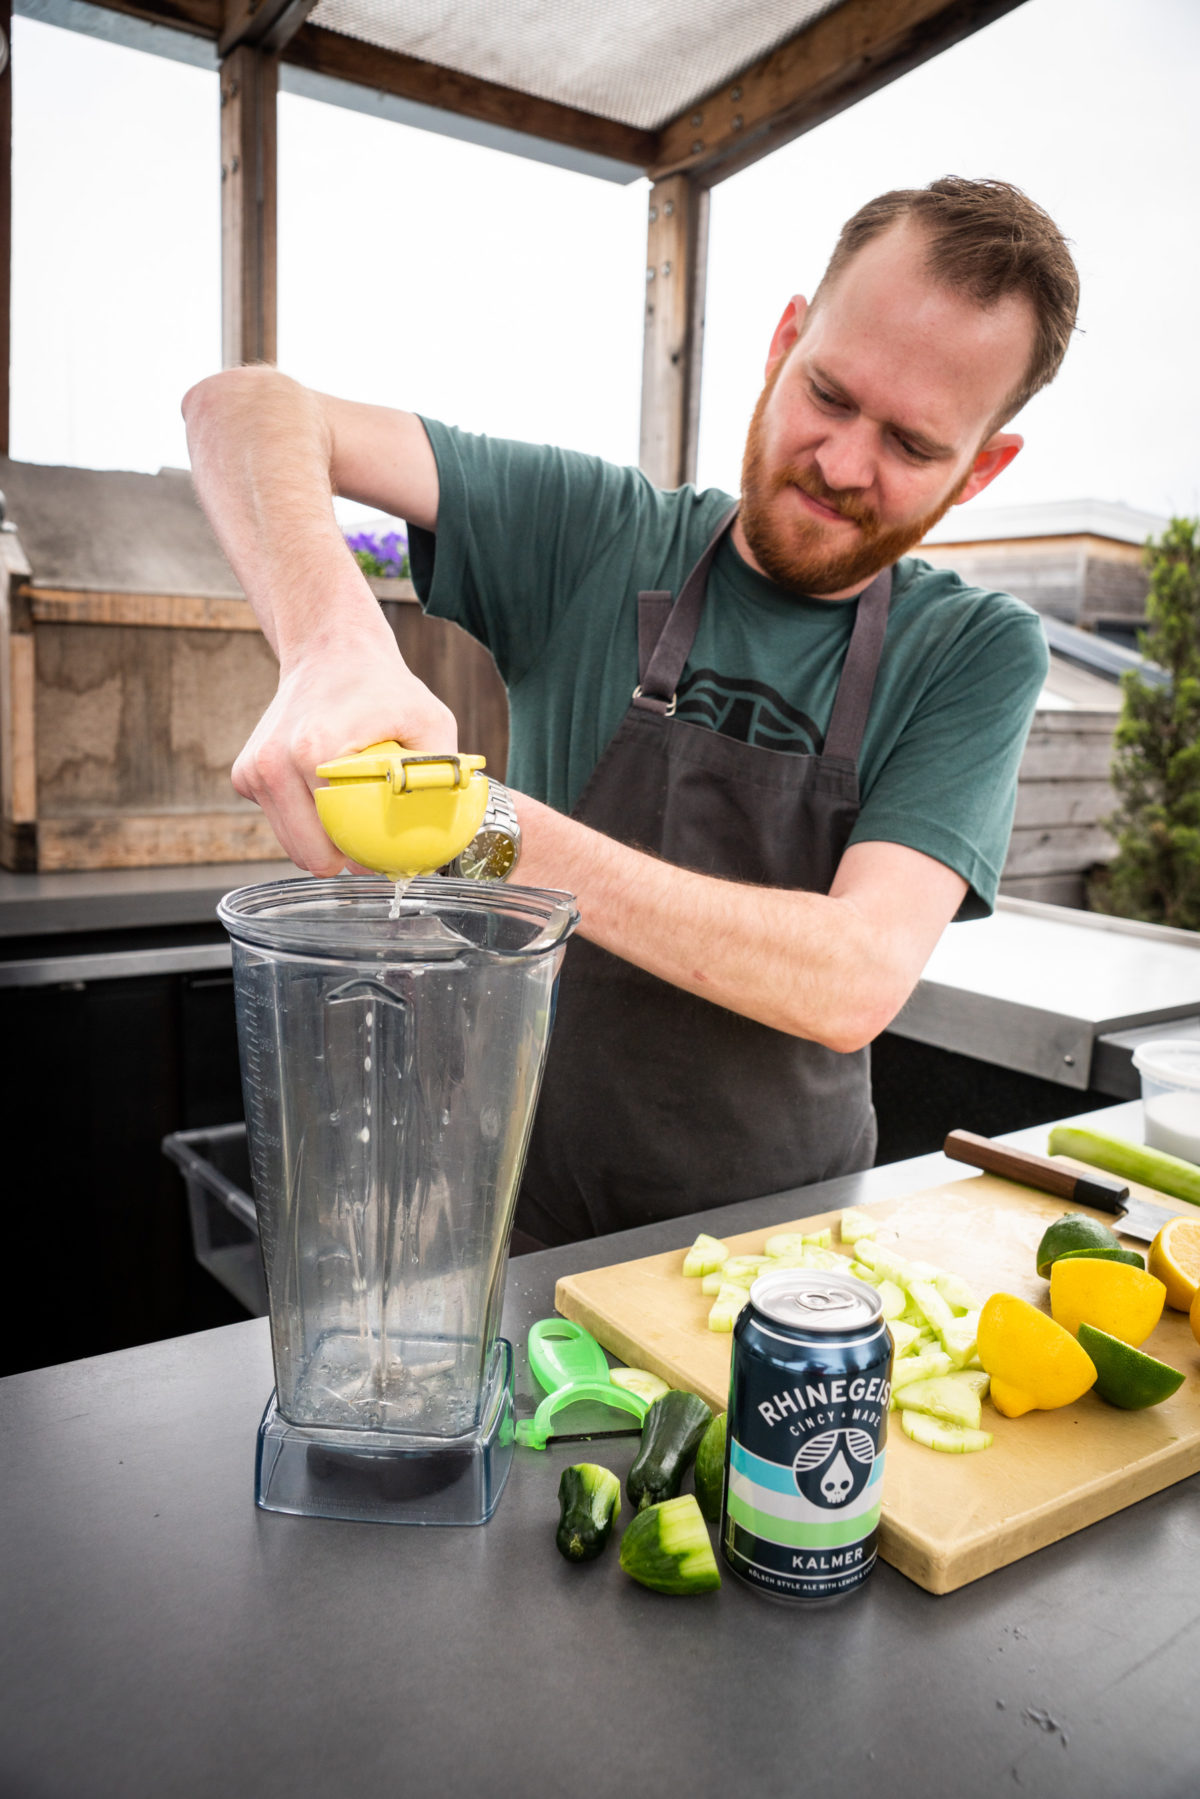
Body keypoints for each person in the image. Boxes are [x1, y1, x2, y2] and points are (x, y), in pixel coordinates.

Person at [184, 175, 1079, 1249]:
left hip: (775, 1261)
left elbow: (851, 976)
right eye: (830, 395)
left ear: (981, 468)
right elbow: (241, 409)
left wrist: (484, 824)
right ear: (784, 340)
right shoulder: (599, 537)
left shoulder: (971, 650)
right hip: (504, 1217)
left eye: (913, 446)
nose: (843, 463)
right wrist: (331, 638)